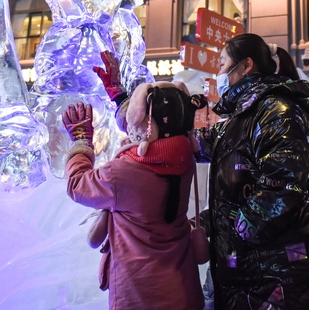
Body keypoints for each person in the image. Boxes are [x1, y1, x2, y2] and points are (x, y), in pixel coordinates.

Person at [201, 33, 309, 309]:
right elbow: (201, 145)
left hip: (281, 277)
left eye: (223, 63)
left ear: (246, 65)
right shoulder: (241, 117)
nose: (219, 72)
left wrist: (240, 231)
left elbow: (284, 182)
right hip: (252, 275)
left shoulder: (276, 109)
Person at [63, 51, 205, 310]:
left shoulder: (124, 173)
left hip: (140, 293)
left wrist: (81, 140)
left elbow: (77, 185)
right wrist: (117, 94)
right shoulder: (184, 154)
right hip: (183, 288)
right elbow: (151, 127)